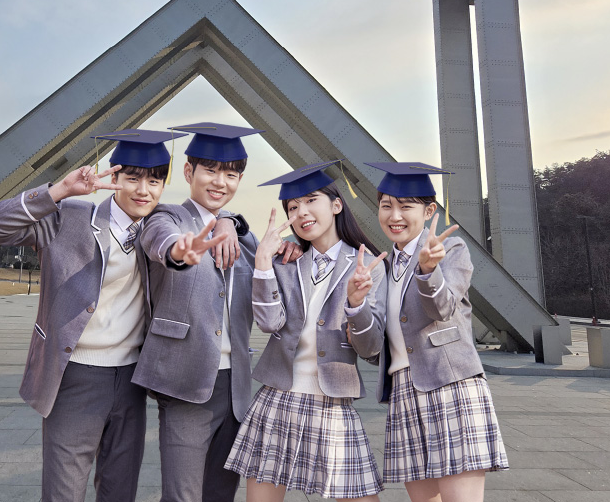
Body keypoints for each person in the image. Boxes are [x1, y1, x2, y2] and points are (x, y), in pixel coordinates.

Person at [0, 129, 226, 502]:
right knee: (65, 490)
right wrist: (58, 191)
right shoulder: (69, 217)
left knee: (119, 489)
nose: (144, 190)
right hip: (74, 373)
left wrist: (224, 225)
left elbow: (178, 239)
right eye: (133, 179)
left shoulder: (159, 225)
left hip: (131, 378)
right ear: (114, 177)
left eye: (154, 181)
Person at [134, 122, 300, 502]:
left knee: (221, 493)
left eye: (231, 174)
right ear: (189, 172)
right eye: (210, 170)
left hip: (236, 385)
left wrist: (293, 249)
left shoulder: (245, 237)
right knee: (183, 495)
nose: (220, 182)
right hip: (185, 379)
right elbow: (163, 242)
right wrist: (182, 250)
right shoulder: (166, 217)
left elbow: (267, 273)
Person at [225, 161, 390, 502]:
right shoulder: (285, 262)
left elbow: (372, 350)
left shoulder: (367, 265)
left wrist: (356, 305)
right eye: (292, 207)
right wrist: (262, 266)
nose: (301, 212)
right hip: (277, 396)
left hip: (332, 402)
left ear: (336, 204)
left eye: (311, 200)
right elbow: (270, 324)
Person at [364, 162, 509, 502]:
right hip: (403, 389)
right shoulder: (382, 268)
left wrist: (428, 271)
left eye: (406, 206)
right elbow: (372, 348)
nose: (394, 215)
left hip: (449, 384)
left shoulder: (452, 250)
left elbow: (441, 309)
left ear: (429, 211)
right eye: (386, 205)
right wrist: (356, 307)